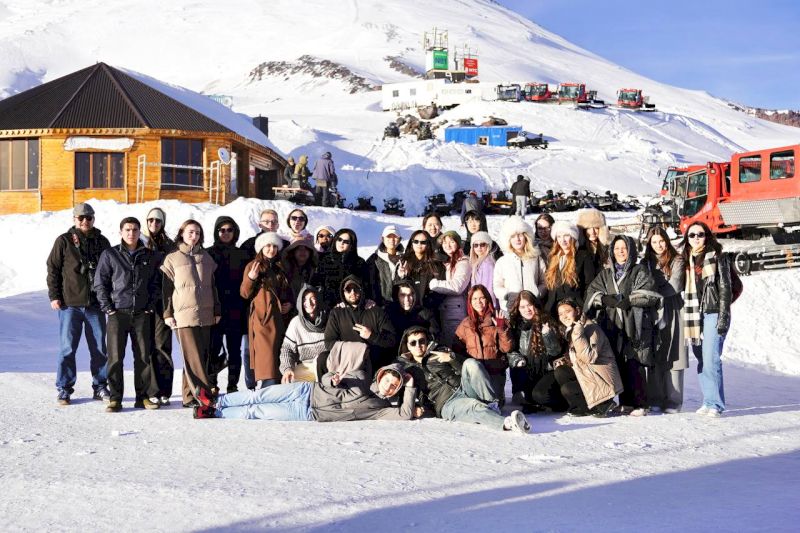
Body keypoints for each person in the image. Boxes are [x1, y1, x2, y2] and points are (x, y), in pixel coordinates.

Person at [194, 359, 416, 422]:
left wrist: (410, 386)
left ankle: (215, 413)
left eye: (394, 386)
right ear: (381, 375)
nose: (388, 386)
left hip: (308, 413)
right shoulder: (361, 377)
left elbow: (405, 414)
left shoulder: (381, 408)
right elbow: (328, 377)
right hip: (306, 391)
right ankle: (217, 400)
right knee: (258, 395)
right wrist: (333, 379)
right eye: (388, 380)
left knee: (257, 412)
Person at [400, 326, 530, 433]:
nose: (418, 345)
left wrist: (452, 358)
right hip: (447, 403)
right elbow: (399, 391)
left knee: (471, 363)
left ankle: (492, 406)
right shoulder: (407, 368)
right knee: (474, 407)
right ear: (407, 346)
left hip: (463, 387)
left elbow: (466, 368)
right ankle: (507, 423)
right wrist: (415, 407)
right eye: (413, 343)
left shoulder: (438, 351)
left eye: (421, 341)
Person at [585, 235, 662, 416]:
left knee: (635, 362)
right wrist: (604, 299)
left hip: (634, 323)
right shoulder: (605, 274)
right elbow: (592, 292)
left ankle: (640, 404)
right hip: (612, 324)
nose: (620, 251)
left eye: (624, 248)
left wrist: (630, 300)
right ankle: (625, 402)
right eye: (617, 248)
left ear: (631, 250)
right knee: (618, 361)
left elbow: (650, 293)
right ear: (612, 251)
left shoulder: (639, 270)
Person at [46, 202, 111, 406]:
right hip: (70, 304)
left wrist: (109, 298)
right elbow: (53, 269)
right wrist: (54, 296)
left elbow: (110, 271)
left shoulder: (102, 242)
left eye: (88, 217)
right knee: (67, 349)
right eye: (80, 218)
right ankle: (64, 388)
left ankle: (100, 386)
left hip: (95, 305)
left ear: (93, 219)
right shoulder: (64, 241)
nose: (85, 221)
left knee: (99, 349)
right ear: (74, 219)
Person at [93, 216, 161, 412]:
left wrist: (150, 306)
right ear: (121, 232)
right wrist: (108, 307)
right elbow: (100, 283)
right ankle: (115, 398)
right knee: (115, 358)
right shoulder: (110, 254)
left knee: (143, 357)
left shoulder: (148, 255)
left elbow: (156, 283)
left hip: (141, 314)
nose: (131, 233)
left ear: (140, 232)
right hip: (118, 314)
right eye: (127, 230)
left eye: (135, 230)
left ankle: (143, 397)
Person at [160, 219, 220, 408]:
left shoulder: (207, 258)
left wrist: (217, 309)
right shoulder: (172, 258)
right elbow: (166, 290)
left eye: (197, 233)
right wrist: (167, 313)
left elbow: (213, 287)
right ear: (182, 234)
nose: (194, 236)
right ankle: (204, 395)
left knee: (198, 356)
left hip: (206, 314)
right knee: (194, 357)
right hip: (183, 316)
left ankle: (188, 396)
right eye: (190, 232)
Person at [681, 222, 732, 418]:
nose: (696, 238)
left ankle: (716, 404)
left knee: (711, 358)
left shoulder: (718, 257)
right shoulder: (686, 260)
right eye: (692, 235)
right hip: (694, 315)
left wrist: (723, 317)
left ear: (707, 236)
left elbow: (725, 288)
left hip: (713, 312)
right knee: (702, 358)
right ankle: (708, 400)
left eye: (700, 234)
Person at [240, 233, 293, 389]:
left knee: (278, 353)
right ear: (261, 248)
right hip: (262, 318)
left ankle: (276, 386)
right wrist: (251, 278)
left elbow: (287, 291)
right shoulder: (253, 265)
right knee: (267, 356)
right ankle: (268, 387)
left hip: (280, 318)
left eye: (274, 246)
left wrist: (289, 304)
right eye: (268, 246)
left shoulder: (281, 266)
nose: (271, 249)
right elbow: (244, 293)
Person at [643, 227, 687, 413]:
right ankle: (655, 397)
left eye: (661, 241)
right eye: (654, 242)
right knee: (655, 352)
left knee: (675, 352)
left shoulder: (677, 260)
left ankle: (673, 399)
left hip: (673, 308)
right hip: (652, 310)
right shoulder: (645, 263)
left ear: (666, 241)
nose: (658, 245)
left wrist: (653, 292)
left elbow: (675, 285)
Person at [556, 299, 622, 418]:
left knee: (567, 389)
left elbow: (589, 358)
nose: (564, 316)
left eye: (567, 311)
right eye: (560, 314)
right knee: (561, 372)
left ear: (577, 311)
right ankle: (584, 406)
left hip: (602, 380)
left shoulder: (591, 328)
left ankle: (603, 404)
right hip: (590, 373)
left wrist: (577, 334)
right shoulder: (574, 328)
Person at [206, 216, 249, 394]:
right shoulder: (208, 253)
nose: (225, 233)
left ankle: (233, 385)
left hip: (236, 310)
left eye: (229, 230)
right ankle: (212, 384)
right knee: (213, 349)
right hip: (214, 309)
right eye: (221, 230)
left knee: (234, 350)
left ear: (235, 232)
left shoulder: (242, 254)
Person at [506, 291, 567, 411]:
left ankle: (563, 401)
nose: (527, 309)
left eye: (529, 305)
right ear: (518, 309)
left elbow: (555, 352)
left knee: (541, 395)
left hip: (547, 370)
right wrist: (517, 360)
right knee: (529, 398)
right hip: (527, 370)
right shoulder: (515, 325)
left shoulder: (547, 320)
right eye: (522, 307)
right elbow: (510, 350)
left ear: (535, 305)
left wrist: (547, 335)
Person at [453, 285, 513, 403]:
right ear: (470, 302)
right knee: (477, 403)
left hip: (494, 374)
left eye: (482, 298)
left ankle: (492, 403)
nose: (478, 302)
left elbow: (507, 348)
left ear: (488, 299)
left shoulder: (498, 318)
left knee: (492, 402)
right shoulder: (465, 324)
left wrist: (501, 328)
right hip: (474, 377)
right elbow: (456, 350)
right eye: (474, 299)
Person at [324, 275, 396, 372]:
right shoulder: (337, 313)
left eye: (356, 288)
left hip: (372, 363)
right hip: (347, 362)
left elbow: (391, 340)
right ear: (343, 292)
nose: (352, 292)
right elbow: (329, 342)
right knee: (322, 359)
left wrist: (372, 336)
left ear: (361, 290)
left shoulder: (375, 311)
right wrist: (355, 349)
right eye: (348, 289)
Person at [142, 207, 177, 404]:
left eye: (158, 220)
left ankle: (164, 390)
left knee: (162, 345)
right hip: (143, 301)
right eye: (150, 220)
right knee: (146, 347)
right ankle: (151, 390)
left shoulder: (169, 245)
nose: (154, 224)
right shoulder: (139, 241)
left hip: (163, 301)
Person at [493, 216, 547, 315]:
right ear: (508, 239)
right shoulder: (502, 261)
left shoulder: (536, 258)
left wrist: (536, 293)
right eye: (513, 236)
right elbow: (497, 287)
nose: (517, 239)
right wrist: (508, 295)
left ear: (526, 236)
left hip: (533, 308)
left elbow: (544, 282)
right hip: (510, 309)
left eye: (520, 235)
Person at [543, 221, 596, 316]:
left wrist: (584, 307)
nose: (562, 240)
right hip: (554, 309)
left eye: (566, 236)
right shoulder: (553, 258)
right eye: (559, 236)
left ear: (573, 237)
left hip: (576, 309)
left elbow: (589, 285)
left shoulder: (583, 256)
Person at [279, 285, 328, 383]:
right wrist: (287, 368)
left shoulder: (329, 318)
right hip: (306, 368)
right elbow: (287, 349)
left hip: (327, 366)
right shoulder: (296, 323)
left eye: (312, 298)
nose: (309, 303)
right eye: (304, 300)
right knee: (288, 380)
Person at [429, 231, 470, 346]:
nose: (447, 245)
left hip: (456, 311)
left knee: (455, 345)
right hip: (445, 310)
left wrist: (434, 284)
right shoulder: (446, 262)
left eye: (451, 242)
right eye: (444, 242)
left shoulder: (463, 262)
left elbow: (457, 287)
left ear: (458, 243)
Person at [311, 228, 366, 309]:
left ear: (351, 245)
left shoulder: (359, 262)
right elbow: (317, 282)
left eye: (346, 241)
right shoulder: (324, 259)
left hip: (350, 306)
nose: (341, 243)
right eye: (339, 239)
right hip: (327, 305)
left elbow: (364, 285)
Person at [397, 229, 445, 311]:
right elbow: (397, 289)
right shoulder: (403, 262)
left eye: (423, 242)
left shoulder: (436, 264)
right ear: (411, 243)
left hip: (428, 310)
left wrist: (428, 305)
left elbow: (441, 290)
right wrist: (402, 277)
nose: (419, 244)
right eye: (416, 241)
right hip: (407, 309)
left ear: (428, 244)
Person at [366, 225, 404, 306]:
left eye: (395, 237)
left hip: (400, 306)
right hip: (379, 306)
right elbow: (367, 283)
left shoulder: (405, 259)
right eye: (388, 237)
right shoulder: (374, 259)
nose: (392, 240)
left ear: (400, 239)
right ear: (382, 239)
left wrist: (403, 276)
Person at [468, 231, 499, 307]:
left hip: (484, 305)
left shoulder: (487, 263)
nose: (479, 248)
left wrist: (489, 307)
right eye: (476, 245)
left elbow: (488, 288)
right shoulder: (477, 262)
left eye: (482, 244)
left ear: (488, 246)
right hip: (478, 304)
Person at [576, 208, 611, 273]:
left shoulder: (609, 247)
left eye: (596, 228)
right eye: (588, 228)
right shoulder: (578, 248)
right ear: (583, 230)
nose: (592, 232)